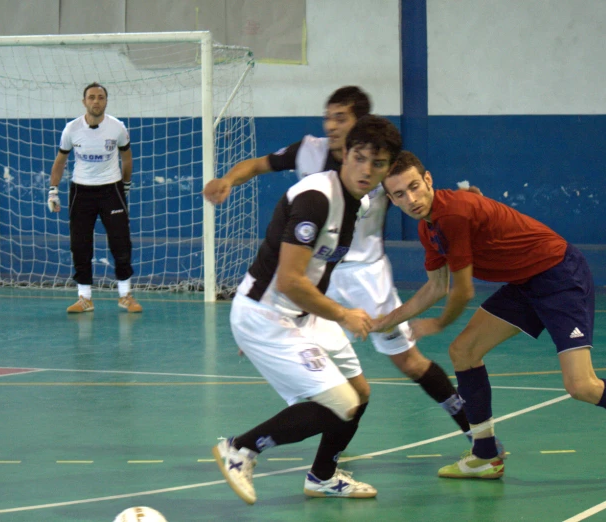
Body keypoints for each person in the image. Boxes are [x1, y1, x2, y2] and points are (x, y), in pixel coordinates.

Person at [204, 86, 491, 449]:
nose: (331, 125)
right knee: (340, 391)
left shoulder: (382, 168)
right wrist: (228, 179)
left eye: (341, 118)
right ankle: (324, 464)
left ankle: (472, 429)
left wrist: (465, 202)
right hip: (314, 274)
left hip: (363, 277)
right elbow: (259, 164)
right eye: (328, 116)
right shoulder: (310, 155)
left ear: (361, 125)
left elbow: (420, 194)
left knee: (409, 362)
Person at [376, 151, 606, 479]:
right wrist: (383, 322)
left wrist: (437, 323)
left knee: (581, 385)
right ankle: (485, 455)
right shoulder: (428, 229)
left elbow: (462, 291)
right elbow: (435, 287)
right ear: (391, 199)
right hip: (525, 283)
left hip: (559, 275)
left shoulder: (453, 215)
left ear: (428, 179)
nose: (412, 198)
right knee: (463, 352)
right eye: (400, 194)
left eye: (415, 186)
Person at [211, 115, 402, 504]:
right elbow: (288, 280)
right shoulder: (317, 199)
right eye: (360, 158)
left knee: (359, 394)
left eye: (378, 164)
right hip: (266, 314)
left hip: (302, 315)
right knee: (339, 404)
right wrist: (343, 314)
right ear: (345, 154)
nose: (367, 170)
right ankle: (241, 449)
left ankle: (322, 476)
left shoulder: (358, 203)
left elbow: (320, 269)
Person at [49, 82, 142, 314]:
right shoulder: (71, 129)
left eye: (100, 97)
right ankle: (85, 298)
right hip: (81, 191)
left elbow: (127, 159)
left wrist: (126, 185)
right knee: (80, 244)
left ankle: (125, 295)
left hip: (111, 189)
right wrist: (53, 190)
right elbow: (60, 162)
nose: (96, 101)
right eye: (91, 97)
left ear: (106, 101)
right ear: (84, 102)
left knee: (121, 242)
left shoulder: (117, 127)